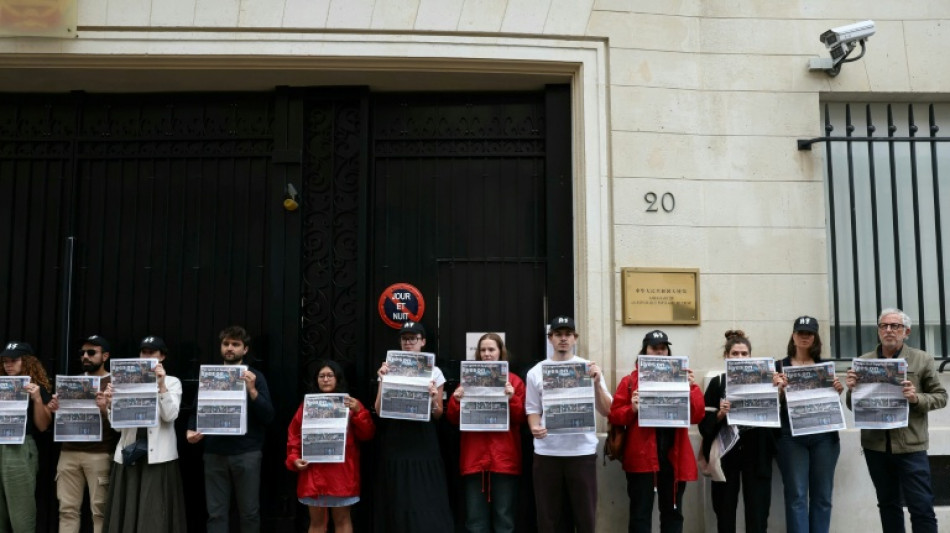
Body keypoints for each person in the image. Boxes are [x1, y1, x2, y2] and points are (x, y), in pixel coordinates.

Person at [846, 308, 947, 533]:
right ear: (878, 331)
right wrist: (852, 390)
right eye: (884, 326)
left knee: (921, 506)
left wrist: (915, 397)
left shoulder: (922, 359)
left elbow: (941, 397)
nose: (889, 330)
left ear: (906, 332)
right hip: (876, 447)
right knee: (888, 505)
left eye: (896, 326)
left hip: (911, 446)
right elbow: (853, 406)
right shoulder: (863, 362)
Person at [526, 316, 612, 533]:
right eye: (558, 334)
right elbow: (532, 409)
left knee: (585, 517)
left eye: (568, 334)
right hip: (547, 453)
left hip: (581, 452)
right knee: (548, 518)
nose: (563, 339)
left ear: (575, 338)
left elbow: (608, 410)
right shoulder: (536, 372)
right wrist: (534, 427)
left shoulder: (589, 368)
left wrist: (597, 384)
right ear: (550, 338)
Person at [187, 326, 275, 533]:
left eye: (235, 344)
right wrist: (190, 430)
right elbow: (196, 410)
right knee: (216, 513)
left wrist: (252, 391)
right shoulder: (211, 376)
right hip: (214, 452)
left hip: (247, 453)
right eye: (226, 343)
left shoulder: (255, 376)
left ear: (245, 350)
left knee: (249, 512)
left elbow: (268, 416)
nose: (229, 348)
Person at [373, 321, 453, 531]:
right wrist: (383, 379)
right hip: (397, 437)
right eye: (405, 339)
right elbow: (379, 410)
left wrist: (434, 398)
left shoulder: (435, 371)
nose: (409, 343)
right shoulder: (388, 368)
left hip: (423, 438)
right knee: (398, 492)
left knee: (424, 492)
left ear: (423, 342)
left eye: (413, 338)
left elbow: (438, 414)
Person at [102, 336, 187, 532]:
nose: (147, 356)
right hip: (129, 454)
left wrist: (161, 385)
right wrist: (110, 404)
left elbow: (170, 415)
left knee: (155, 514)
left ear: (162, 357)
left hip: (158, 457)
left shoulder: (173, 382)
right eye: (144, 352)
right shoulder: (124, 380)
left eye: (152, 353)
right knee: (127, 512)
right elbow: (117, 427)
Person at [699, 330, 778, 533]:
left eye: (744, 354)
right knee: (724, 510)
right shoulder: (718, 383)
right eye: (735, 353)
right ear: (726, 357)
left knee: (758, 511)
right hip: (727, 454)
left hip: (757, 451)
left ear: (751, 357)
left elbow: (777, 419)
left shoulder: (766, 381)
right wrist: (719, 415)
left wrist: (778, 392)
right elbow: (703, 426)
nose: (740, 358)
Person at [446, 333, 526, 533]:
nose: (487, 354)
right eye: (483, 350)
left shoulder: (514, 381)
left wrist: (512, 398)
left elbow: (522, 418)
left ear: (500, 352)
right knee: (475, 522)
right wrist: (456, 400)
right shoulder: (466, 381)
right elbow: (453, 419)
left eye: (491, 349)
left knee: (504, 520)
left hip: (504, 459)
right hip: (475, 459)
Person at [286, 359, 375, 533]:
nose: (325, 379)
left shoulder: (351, 404)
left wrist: (359, 412)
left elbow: (367, 434)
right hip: (314, 473)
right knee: (317, 523)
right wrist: (294, 458)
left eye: (330, 375)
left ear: (337, 378)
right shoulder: (306, 406)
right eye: (321, 376)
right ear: (316, 380)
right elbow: (294, 436)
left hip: (341, 474)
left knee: (342, 521)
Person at [774, 317, 843, 533]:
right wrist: (778, 391)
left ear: (815, 338)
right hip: (791, 437)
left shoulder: (825, 367)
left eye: (809, 333)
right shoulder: (778, 366)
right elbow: (767, 406)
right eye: (801, 332)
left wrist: (837, 391)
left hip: (824, 436)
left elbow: (832, 405)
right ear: (793, 336)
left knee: (823, 495)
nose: (805, 336)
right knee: (797, 495)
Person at [47, 335, 120, 533]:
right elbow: (59, 415)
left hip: (100, 453)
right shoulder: (72, 383)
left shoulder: (115, 383)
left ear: (105, 356)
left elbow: (123, 423)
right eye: (82, 353)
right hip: (68, 452)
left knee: (100, 511)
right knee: (67, 510)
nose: (85, 356)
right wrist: (54, 408)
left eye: (91, 352)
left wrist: (106, 407)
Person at [0, 341, 52, 533]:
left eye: (13, 360)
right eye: (5, 361)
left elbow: (43, 425)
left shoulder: (37, 388)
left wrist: (37, 399)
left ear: (27, 362)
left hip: (19, 447)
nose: (8, 365)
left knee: (20, 511)